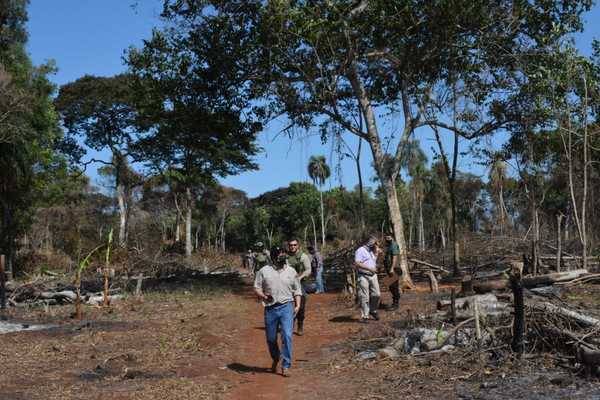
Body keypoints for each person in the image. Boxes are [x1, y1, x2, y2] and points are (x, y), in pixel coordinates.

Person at [254, 246, 302, 377]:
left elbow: (297, 289)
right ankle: (276, 356)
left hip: (287, 306)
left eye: (283, 254)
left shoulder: (291, 271)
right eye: (279, 254)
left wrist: (297, 304)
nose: (281, 257)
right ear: (273, 257)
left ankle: (286, 365)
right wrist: (263, 296)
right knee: (271, 338)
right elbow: (257, 287)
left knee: (287, 335)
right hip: (270, 308)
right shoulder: (264, 271)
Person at [286, 239, 312, 335]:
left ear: (298, 245)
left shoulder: (303, 256)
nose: (292, 246)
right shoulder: (286, 256)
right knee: (287, 303)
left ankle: (300, 324)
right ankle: (289, 324)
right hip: (288, 283)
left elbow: (308, 270)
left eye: (294, 245)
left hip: (301, 282)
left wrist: (300, 277)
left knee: (301, 305)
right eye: (291, 245)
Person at [354, 236, 381, 323]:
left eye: (375, 242)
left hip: (373, 275)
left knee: (377, 294)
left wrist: (377, 253)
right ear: (368, 241)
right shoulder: (360, 250)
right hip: (363, 275)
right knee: (364, 296)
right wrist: (369, 269)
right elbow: (357, 263)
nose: (375, 243)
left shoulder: (372, 251)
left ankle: (373, 310)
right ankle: (365, 316)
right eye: (374, 242)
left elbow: (374, 261)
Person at [383, 233, 401, 310]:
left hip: (395, 269)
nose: (387, 239)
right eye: (386, 238)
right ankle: (394, 302)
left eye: (389, 237)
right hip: (390, 269)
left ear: (392, 237)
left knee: (394, 286)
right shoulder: (388, 246)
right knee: (390, 285)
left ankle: (396, 304)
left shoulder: (393, 245)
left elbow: (395, 257)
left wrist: (392, 268)